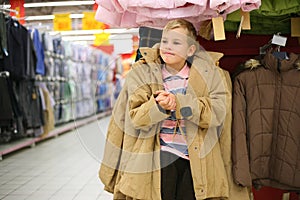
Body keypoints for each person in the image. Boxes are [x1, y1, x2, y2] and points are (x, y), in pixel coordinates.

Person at [99, 19, 249, 200]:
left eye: (176, 42)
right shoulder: (142, 73)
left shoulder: (212, 75)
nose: (168, 47)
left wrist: (180, 104)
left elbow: (217, 113)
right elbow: (135, 117)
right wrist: (157, 106)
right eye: (165, 41)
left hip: (197, 163)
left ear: (190, 49)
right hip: (157, 160)